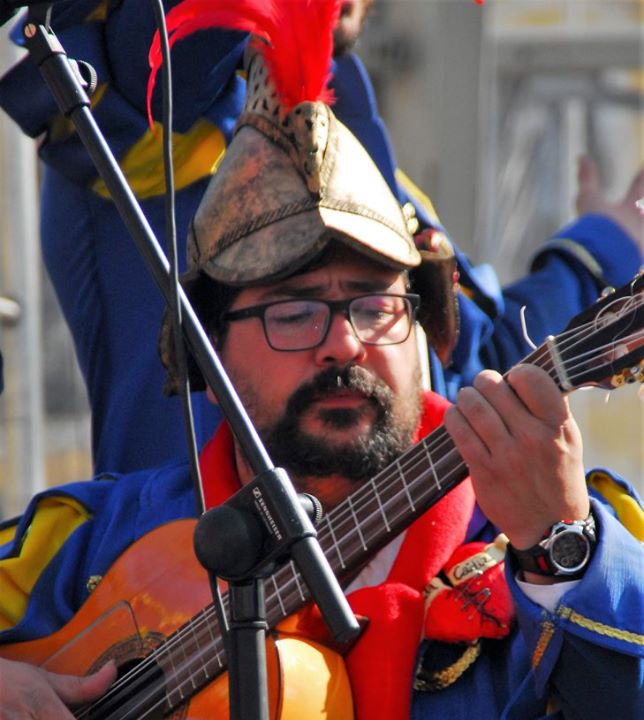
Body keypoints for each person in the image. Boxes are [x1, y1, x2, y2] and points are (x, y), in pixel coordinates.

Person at [0, 10, 642, 720]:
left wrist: (559, 553)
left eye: (376, 304)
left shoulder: (562, 518)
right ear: (209, 352)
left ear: (432, 336)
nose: (343, 342)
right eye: (293, 307)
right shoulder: (92, 543)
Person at [0, 0, 641, 474]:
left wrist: (601, 250)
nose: (342, 342)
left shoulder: (349, 140)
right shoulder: (149, 123)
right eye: (296, 309)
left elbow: (463, 365)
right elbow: (168, 56)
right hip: (181, 612)